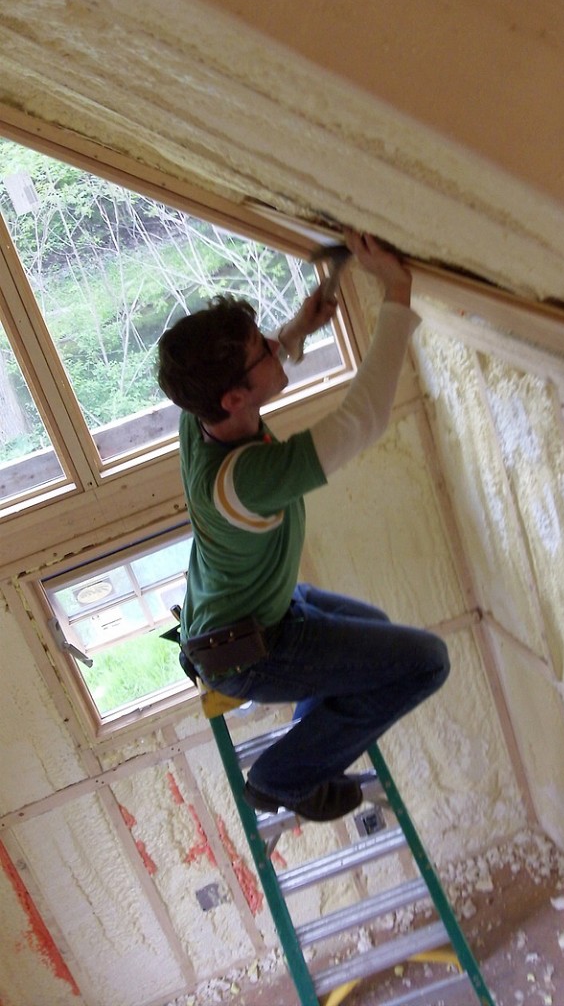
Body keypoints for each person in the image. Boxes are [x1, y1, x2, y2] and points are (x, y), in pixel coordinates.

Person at [157, 231, 450, 823]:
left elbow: (247, 378)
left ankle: (309, 748)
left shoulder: (201, 419)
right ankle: (280, 777)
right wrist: (398, 291)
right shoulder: (248, 480)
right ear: (236, 396)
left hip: (254, 614)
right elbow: (363, 419)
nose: (272, 345)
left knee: (374, 634)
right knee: (425, 661)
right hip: (248, 653)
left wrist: (295, 331)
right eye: (263, 348)